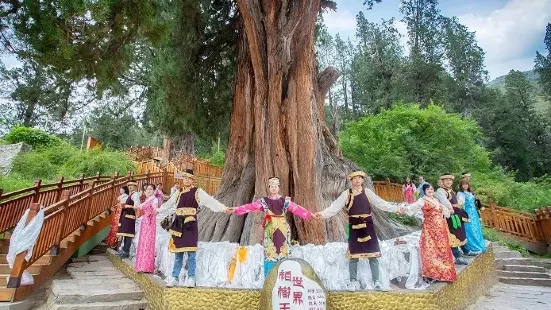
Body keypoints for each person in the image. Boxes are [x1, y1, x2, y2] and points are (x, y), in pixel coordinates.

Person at [314, 171, 402, 291]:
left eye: (359, 178)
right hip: (354, 226)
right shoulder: (346, 194)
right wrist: (322, 214)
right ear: (351, 181)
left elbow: (381, 203)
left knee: (373, 255)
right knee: (353, 255)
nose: (357, 180)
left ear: (362, 180)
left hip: (368, 226)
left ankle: (377, 281)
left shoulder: (367, 192)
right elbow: (334, 207)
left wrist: (396, 209)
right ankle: (353, 281)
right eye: (354, 178)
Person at [229, 177, 313, 279]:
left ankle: (284, 277)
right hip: (270, 229)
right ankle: (270, 278)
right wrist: (236, 209)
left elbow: (296, 208)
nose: (274, 188)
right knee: (270, 251)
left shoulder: (284, 201)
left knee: (283, 250)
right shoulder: (264, 201)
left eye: (276, 186)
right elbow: (251, 206)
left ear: (278, 187)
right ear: (269, 188)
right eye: (271, 186)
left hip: (282, 228)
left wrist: (309, 214)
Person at [166, 169, 230, 288]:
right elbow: (168, 203)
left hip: (190, 225)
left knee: (191, 253)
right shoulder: (178, 192)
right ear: (182, 179)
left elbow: (210, 201)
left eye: (189, 178)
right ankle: (174, 277)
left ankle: (191, 277)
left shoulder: (197, 192)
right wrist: (158, 210)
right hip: (178, 225)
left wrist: (222, 208)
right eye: (185, 177)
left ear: (192, 180)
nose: (187, 180)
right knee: (178, 254)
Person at [403, 183, 456, 282]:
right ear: (424, 191)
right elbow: (412, 207)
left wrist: (450, 210)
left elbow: (444, 210)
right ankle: (434, 272)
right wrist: (404, 209)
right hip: (430, 230)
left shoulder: (436, 200)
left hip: (441, 229)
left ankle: (445, 271)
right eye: (428, 189)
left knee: (442, 249)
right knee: (432, 249)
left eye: (431, 189)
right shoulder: (422, 201)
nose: (430, 190)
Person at [435, 174, 473, 265]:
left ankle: (466, 251)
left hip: (457, 215)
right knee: (452, 236)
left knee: (460, 233)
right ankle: (457, 257)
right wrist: (452, 207)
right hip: (449, 217)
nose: (449, 182)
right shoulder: (440, 191)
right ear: (442, 181)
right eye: (446, 180)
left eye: (450, 180)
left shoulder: (450, 190)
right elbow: (444, 202)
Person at [134, 184, 160, 273]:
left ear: (153, 191)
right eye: (146, 189)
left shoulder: (154, 199)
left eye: (150, 189)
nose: (148, 191)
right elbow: (140, 207)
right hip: (144, 222)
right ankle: (141, 265)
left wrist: (154, 212)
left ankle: (147, 266)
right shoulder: (146, 200)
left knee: (148, 242)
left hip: (150, 222)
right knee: (143, 241)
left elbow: (155, 209)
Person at [457, 179, 485, 254]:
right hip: (468, 213)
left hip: (474, 213)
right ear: (461, 186)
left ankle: (479, 244)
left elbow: (475, 203)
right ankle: (472, 246)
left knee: (476, 228)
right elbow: (460, 204)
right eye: (463, 184)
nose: (465, 186)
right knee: (470, 229)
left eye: (466, 184)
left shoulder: (470, 192)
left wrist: (478, 212)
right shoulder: (460, 193)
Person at [117, 181, 141, 258]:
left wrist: (128, 206)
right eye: (129, 185)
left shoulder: (136, 194)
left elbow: (137, 206)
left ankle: (126, 251)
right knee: (125, 234)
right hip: (126, 216)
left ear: (135, 187)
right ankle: (124, 250)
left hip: (130, 216)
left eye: (132, 185)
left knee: (128, 235)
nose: (130, 187)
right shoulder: (130, 194)